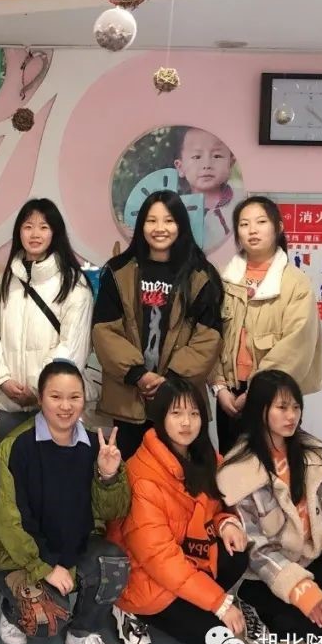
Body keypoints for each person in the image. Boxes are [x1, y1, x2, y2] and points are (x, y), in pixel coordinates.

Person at [217, 370, 322, 644]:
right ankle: (255, 607)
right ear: (261, 410)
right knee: (291, 625)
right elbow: (255, 547)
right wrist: (299, 588)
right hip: (264, 576)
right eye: (282, 407)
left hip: (309, 557)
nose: (291, 416)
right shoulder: (238, 470)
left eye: (296, 407)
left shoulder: (315, 456)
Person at [0, 360, 129, 644]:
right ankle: (9, 608)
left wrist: (108, 476)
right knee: (43, 620)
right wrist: (45, 566)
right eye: (56, 397)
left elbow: (113, 511)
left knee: (114, 562)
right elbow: (8, 522)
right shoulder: (16, 447)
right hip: (23, 556)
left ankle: (82, 633)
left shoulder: (95, 446)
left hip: (73, 548)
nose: (66, 406)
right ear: (40, 398)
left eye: (74, 397)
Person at [109, 375, 249, 644]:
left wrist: (227, 523)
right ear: (160, 417)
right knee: (218, 640)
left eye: (194, 414)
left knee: (236, 553)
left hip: (187, 559)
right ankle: (126, 609)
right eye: (177, 413)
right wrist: (219, 602)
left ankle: (193, 603)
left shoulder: (206, 457)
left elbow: (217, 509)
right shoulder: (143, 475)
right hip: (145, 574)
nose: (187, 422)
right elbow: (159, 558)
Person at [92, 190, 223, 461]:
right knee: (129, 474)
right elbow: (104, 331)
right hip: (128, 400)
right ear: (141, 226)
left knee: (182, 475)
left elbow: (209, 338)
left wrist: (171, 380)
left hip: (181, 402)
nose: (160, 228)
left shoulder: (201, 276)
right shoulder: (118, 272)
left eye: (169, 220)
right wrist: (138, 374)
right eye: (151, 220)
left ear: (181, 225)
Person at [209, 197, 322, 453]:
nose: (252, 230)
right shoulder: (224, 279)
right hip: (229, 394)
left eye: (261, 222)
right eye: (244, 224)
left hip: (274, 394)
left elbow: (296, 345)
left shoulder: (296, 283)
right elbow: (210, 334)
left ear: (278, 227)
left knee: (273, 463)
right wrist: (219, 387)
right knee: (231, 464)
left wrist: (256, 392)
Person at [0, 199, 93, 439]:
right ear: (18, 232)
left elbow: (72, 346)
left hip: (52, 404)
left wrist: (38, 389)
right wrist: (2, 380)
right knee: (5, 461)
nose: (35, 234)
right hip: (5, 402)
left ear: (55, 232)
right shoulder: (4, 281)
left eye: (43, 227)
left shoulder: (74, 284)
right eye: (28, 226)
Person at [172, 126, 242, 252]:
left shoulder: (243, 203)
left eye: (217, 156)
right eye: (196, 157)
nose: (207, 165)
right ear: (180, 167)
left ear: (231, 163)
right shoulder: (174, 209)